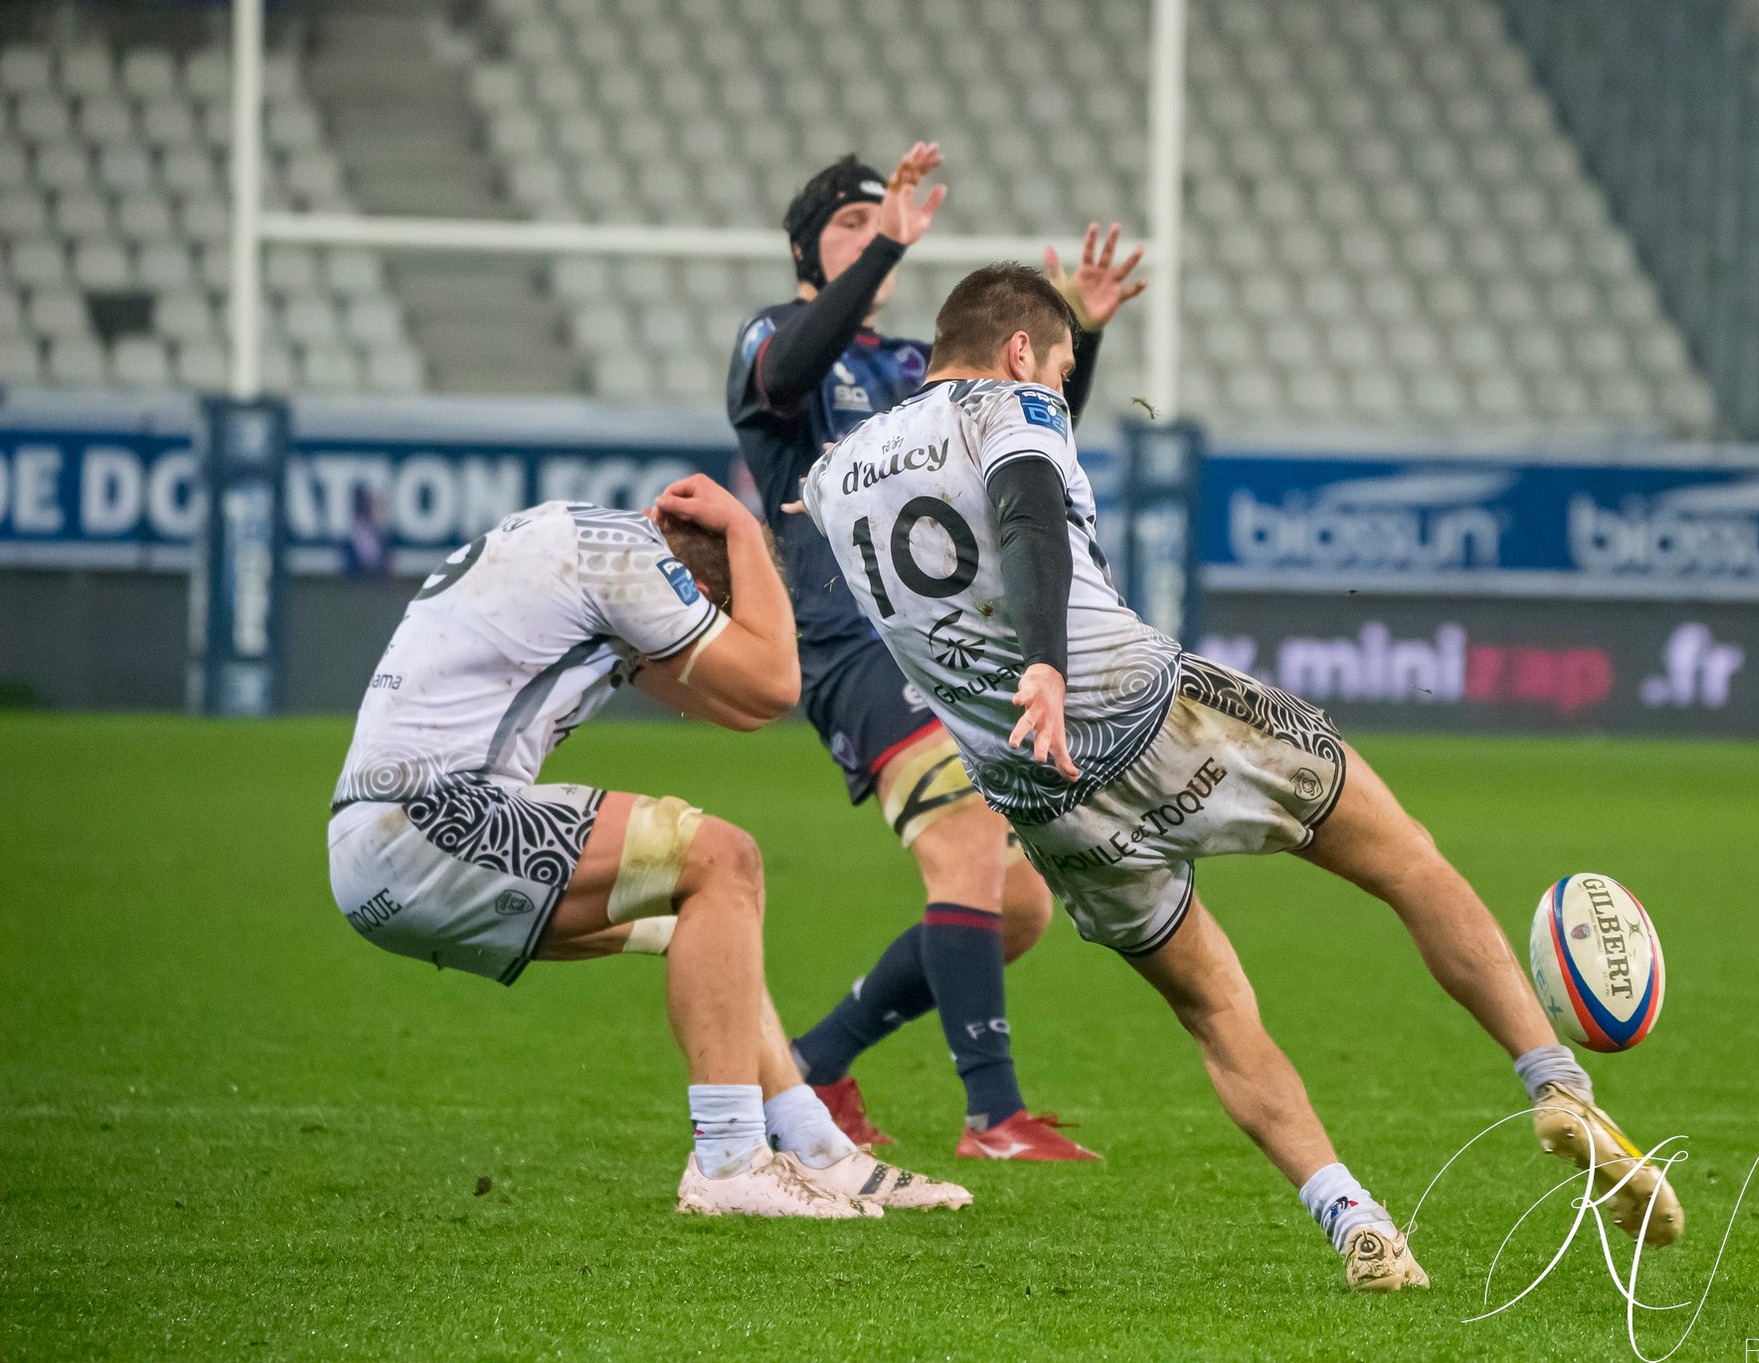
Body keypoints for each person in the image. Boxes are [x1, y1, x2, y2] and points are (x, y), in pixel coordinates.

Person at [798, 263, 1686, 1288]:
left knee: (1216, 1010)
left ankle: (1354, 1219)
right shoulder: (1009, 406)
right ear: (1018, 353)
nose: (1060, 388)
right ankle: (1558, 1084)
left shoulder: (833, 475)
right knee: (1406, 861)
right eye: (1062, 368)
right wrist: (1045, 659)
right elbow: (1028, 506)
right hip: (1147, 708)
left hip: (1041, 795)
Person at [326, 474, 969, 1217]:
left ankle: (817, 1147)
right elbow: (773, 685)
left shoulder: (581, 550)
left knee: (711, 924)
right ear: (697, 592)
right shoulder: (626, 554)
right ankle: (728, 1160)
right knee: (722, 859)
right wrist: (743, 527)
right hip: (430, 819)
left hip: (378, 850)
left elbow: (739, 711)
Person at [726, 143, 1145, 1160]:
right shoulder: (774, 336)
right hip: (849, 636)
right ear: (805, 249)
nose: (871, 235)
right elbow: (786, 377)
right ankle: (991, 1114)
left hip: (940, 640)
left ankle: (813, 1062)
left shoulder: (918, 365)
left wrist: (1078, 336)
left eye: (879, 221)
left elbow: (1019, 449)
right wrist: (888, 244)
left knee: (1019, 905)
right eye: (848, 224)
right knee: (964, 836)